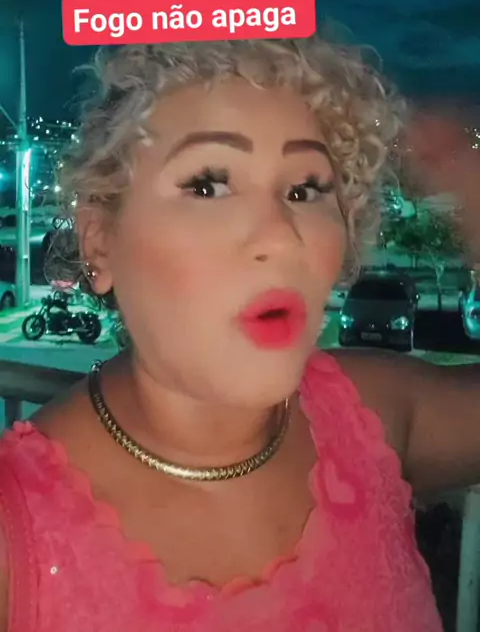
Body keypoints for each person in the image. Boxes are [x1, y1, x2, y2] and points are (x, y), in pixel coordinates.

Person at [0, 37, 479, 631]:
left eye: (306, 189)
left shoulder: (373, 415)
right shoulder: (14, 538)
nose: (281, 236)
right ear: (100, 241)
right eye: (208, 185)